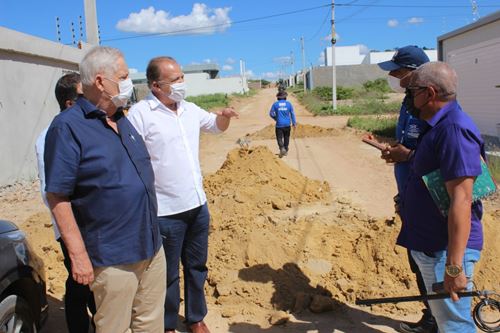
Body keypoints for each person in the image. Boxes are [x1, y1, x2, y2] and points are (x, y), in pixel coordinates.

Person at [44, 46, 166, 333]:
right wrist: (78, 256)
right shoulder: (67, 127)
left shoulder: (123, 119)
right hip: (113, 258)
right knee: (114, 328)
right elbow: (58, 196)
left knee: (150, 325)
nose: (128, 82)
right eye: (123, 76)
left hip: (150, 248)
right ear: (100, 82)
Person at [127, 56, 239, 333]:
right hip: (165, 211)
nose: (181, 83)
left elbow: (214, 126)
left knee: (196, 267)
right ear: (155, 85)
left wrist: (224, 118)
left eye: (181, 77)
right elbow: (130, 159)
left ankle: (196, 318)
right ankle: (166, 324)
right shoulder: (141, 115)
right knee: (166, 274)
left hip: (197, 205)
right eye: (175, 79)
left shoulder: (189, 109)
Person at [400, 61, 485, 332]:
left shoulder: (453, 130)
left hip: (443, 251)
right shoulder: (438, 126)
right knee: (446, 323)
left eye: (413, 91)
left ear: (430, 93)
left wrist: (454, 267)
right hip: (433, 246)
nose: (409, 98)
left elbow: (461, 199)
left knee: (455, 327)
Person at [377, 45, 437, 333]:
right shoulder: (410, 101)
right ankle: (432, 316)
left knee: (431, 260)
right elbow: (411, 144)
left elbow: (441, 156)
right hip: (411, 192)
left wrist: (408, 156)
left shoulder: (439, 112)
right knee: (419, 260)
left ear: (415, 73)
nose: (394, 75)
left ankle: (441, 319)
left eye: (398, 71)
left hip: (430, 200)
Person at [35, 72, 96, 333]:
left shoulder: (82, 128)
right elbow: (56, 191)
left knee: (90, 283)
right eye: (85, 97)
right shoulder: (52, 136)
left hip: (91, 224)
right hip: (72, 226)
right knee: (80, 282)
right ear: (71, 104)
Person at [269, 91, 296, 158]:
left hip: (279, 125)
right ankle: (286, 150)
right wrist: (294, 123)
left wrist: (275, 118)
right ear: (285, 97)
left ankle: (282, 148)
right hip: (287, 124)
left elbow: (271, 113)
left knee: (279, 138)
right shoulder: (289, 104)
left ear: (278, 98)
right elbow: (292, 114)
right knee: (286, 137)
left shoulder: (275, 104)